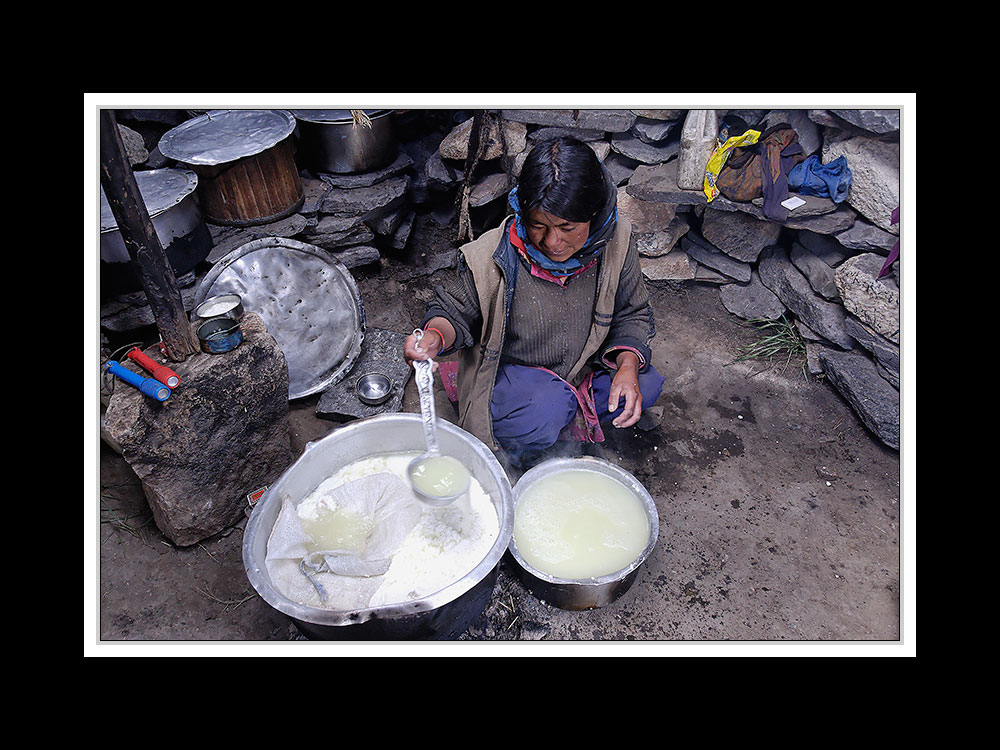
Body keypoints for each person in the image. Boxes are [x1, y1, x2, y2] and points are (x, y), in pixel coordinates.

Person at [403, 135, 665, 466]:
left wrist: (627, 364)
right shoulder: (493, 255)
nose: (552, 241)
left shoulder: (616, 242)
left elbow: (632, 313)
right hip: (516, 380)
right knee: (545, 408)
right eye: (537, 225)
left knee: (645, 383)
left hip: (579, 371)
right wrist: (433, 338)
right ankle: (542, 425)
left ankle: (557, 420)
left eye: (567, 227)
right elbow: (453, 312)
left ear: (593, 214)